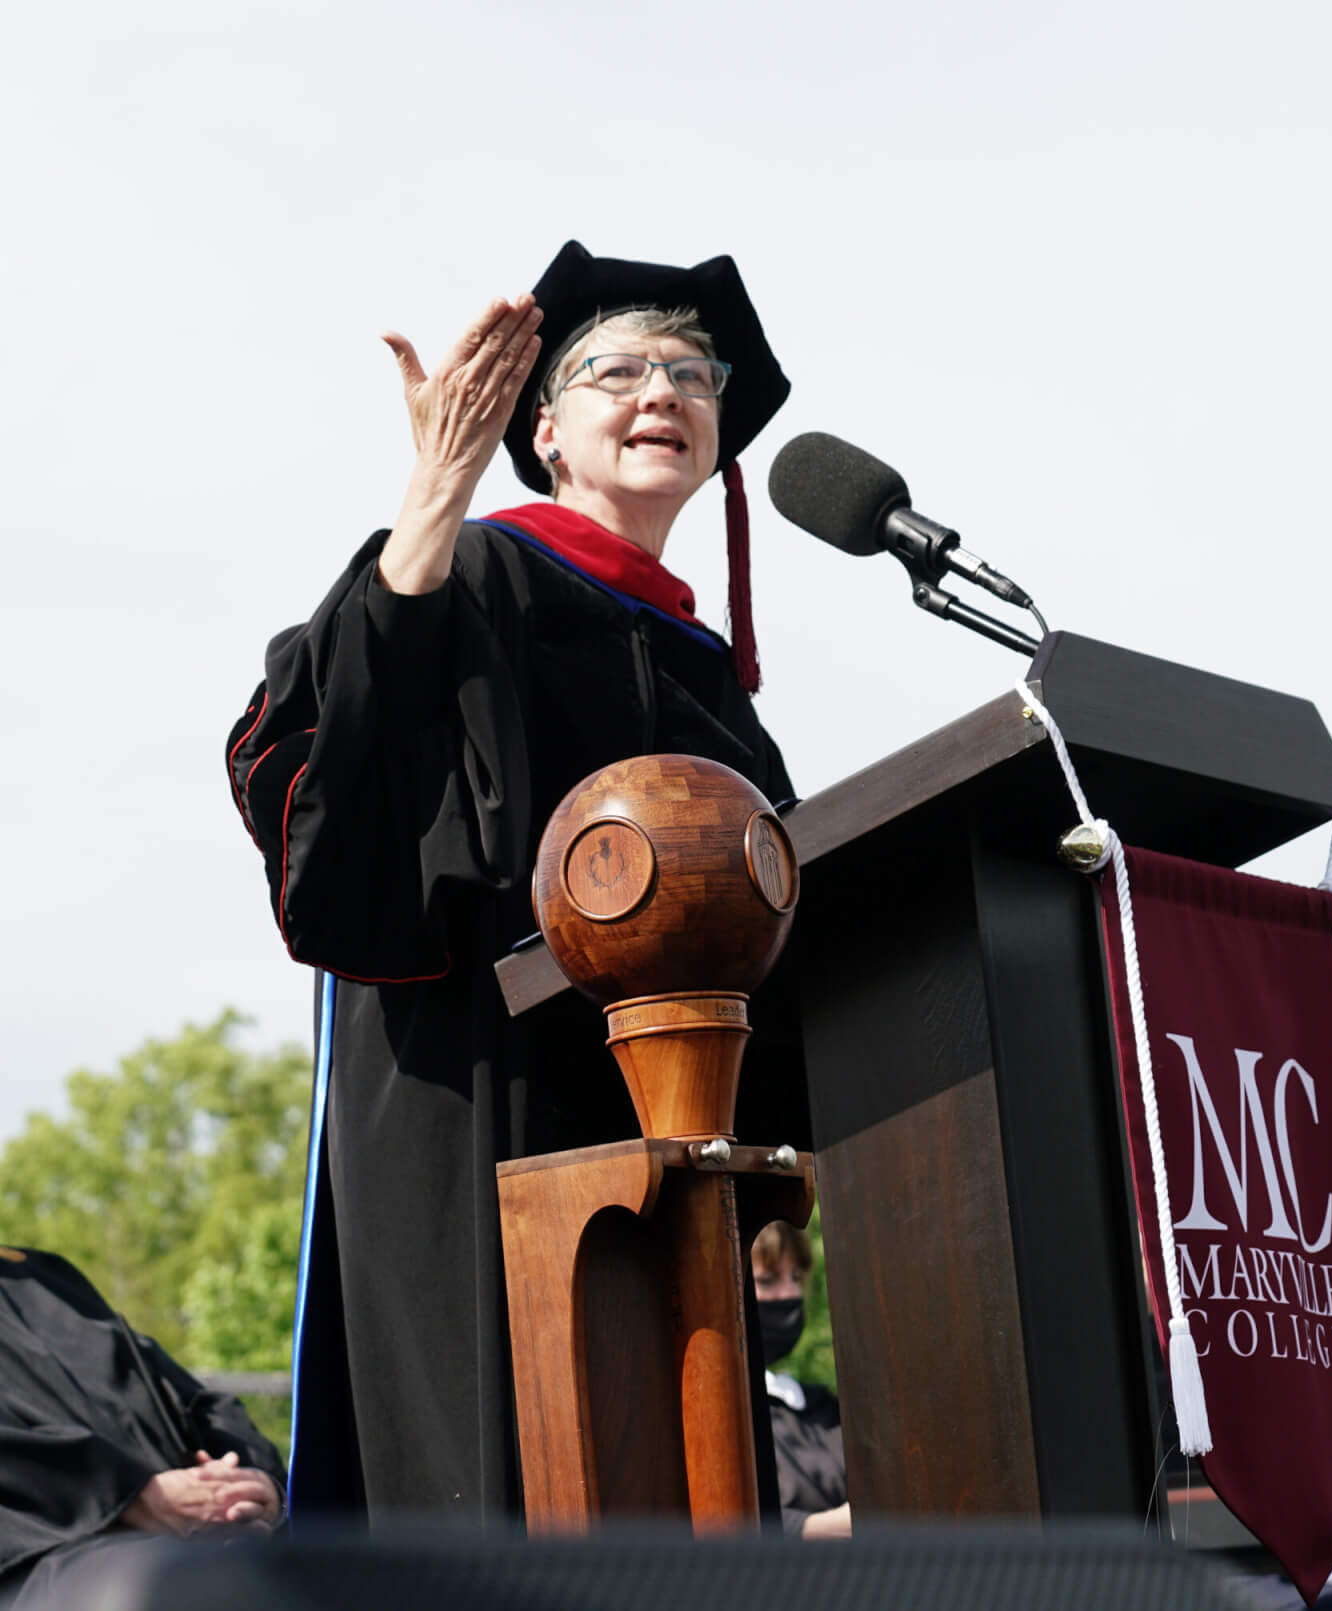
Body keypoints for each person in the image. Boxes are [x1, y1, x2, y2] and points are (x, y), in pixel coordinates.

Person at [226, 242, 797, 1522]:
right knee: (501, 1469)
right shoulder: (473, 570)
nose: (664, 392)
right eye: (620, 370)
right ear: (542, 426)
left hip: (659, 1103)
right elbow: (315, 750)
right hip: (473, 1083)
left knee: (672, 1472)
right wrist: (434, 494)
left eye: (692, 374)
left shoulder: (706, 673)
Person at [0, 1247, 283, 1604]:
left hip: (203, 1540)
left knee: (351, 1562)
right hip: (48, 1566)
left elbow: (194, 1401)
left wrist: (251, 1485)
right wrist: (135, 1497)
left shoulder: (44, 1272)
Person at [749, 1223, 848, 1540]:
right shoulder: (720, 1422)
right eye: (767, 1280)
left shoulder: (823, 1407)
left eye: (795, 1278)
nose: (790, 1294)